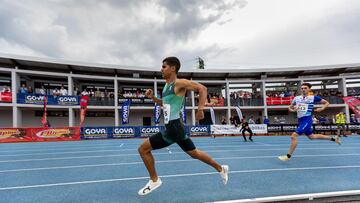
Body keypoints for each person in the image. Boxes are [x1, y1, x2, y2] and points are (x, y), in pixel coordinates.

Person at [137, 57, 229, 196]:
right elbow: (164, 103)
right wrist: (153, 98)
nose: (161, 69)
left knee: (143, 149)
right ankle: (221, 168)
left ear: (173, 68)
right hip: (175, 127)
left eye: (164, 66)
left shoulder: (179, 82)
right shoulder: (167, 86)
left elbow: (202, 88)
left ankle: (154, 180)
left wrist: (200, 110)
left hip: (173, 127)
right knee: (194, 153)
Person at [278, 83, 341, 161]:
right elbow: (290, 107)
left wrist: (322, 108)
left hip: (307, 120)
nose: (303, 89)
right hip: (300, 120)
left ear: (309, 89)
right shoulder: (296, 98)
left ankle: (288, 156)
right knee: (312, 137)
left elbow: (327, 103)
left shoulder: (313, 98)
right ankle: (333, 139)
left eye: (305, 88)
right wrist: (292, 109)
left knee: (293, 136)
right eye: (302, 88)